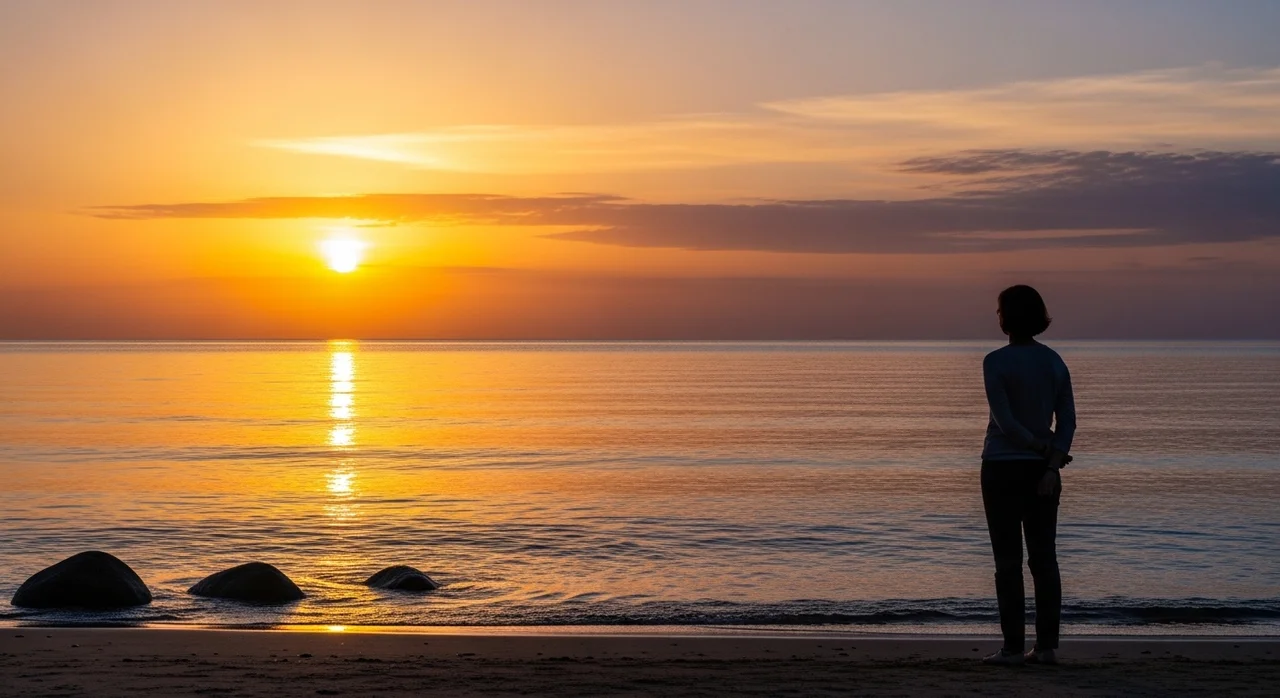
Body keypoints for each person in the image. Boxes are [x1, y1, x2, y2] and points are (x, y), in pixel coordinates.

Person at [979, 285, 1075, 667]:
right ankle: (1046, 647)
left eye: (999, 310)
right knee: (1044, 559)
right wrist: (1051, 460)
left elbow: (1006, 423)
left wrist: (1042, 454)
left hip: (1002, 467)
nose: (997, 316)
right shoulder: (1054, 361)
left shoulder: (995, 362)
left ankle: (1013, 649)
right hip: (1042, 470)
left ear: (1009, 318)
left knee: (1008, 562)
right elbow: (1067, 421)